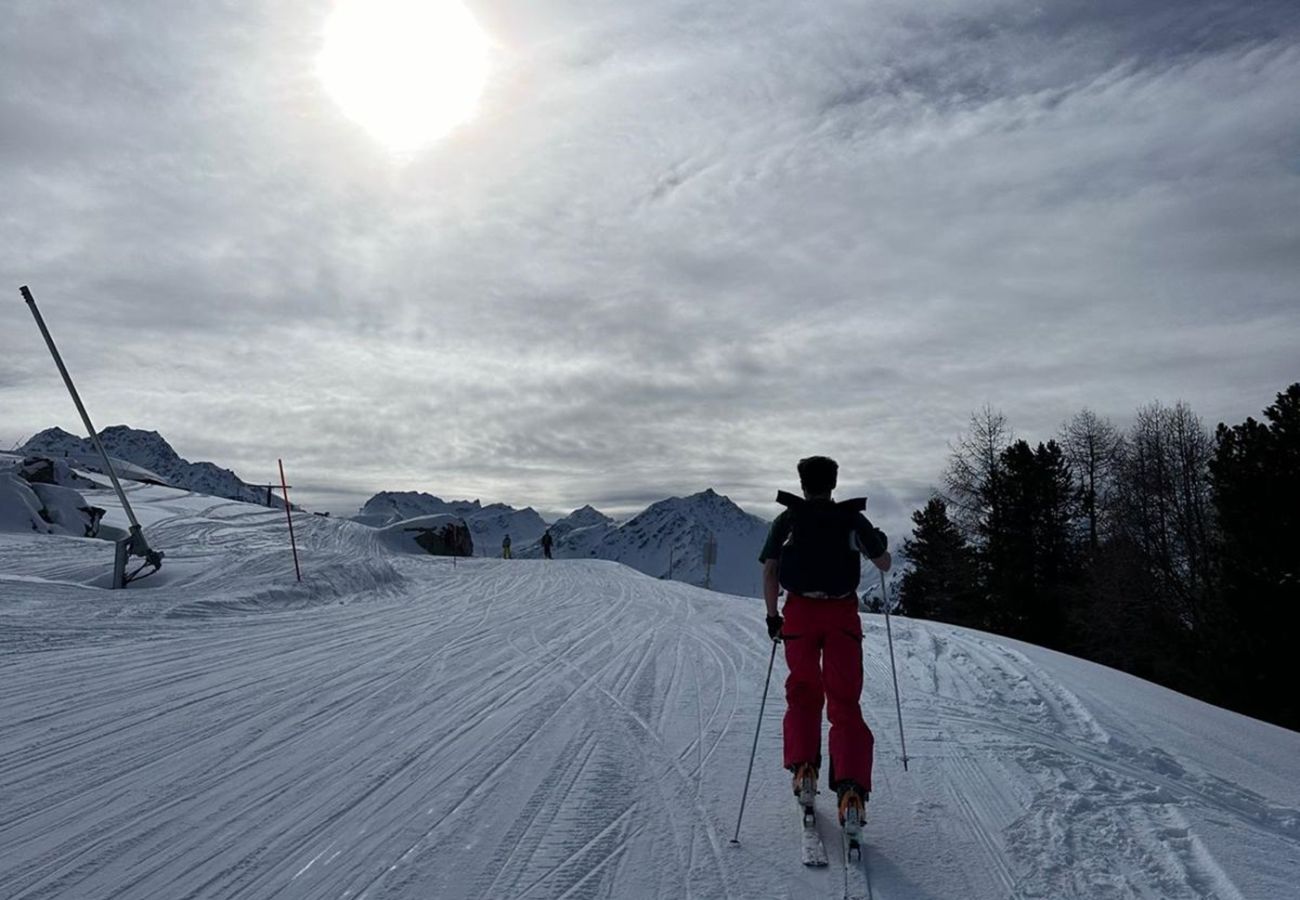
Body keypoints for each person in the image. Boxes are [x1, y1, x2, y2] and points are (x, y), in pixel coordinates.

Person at [758, 455, 891, 841]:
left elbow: (769, 569)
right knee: (845, 700)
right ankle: (851, 791)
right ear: (833, 484)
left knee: (802, 692)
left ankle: (805, 770)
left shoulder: (789, 519)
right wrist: (878, 543)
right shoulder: (851, 518)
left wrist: (772, 616)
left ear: (802, 484)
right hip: (842, 615)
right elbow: (883, 563)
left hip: (799, 613)